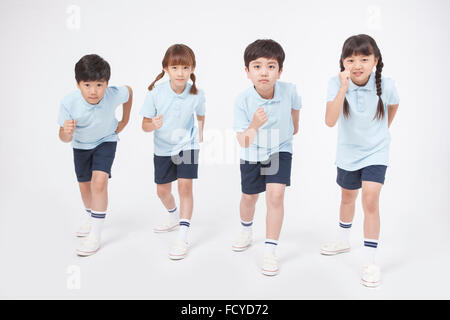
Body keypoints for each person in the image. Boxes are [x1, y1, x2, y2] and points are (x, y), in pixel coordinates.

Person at [321, 34, 400, 287]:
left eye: (364, 58)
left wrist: (381, 131)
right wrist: (344, 88)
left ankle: (370, 260)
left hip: (376, 152)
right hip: (348, 153)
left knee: (370, 199)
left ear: (375, 61)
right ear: (343, 62)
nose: (357, 65)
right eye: (351, 59)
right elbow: (330, 120)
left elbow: (394, 105)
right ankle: (343, 239)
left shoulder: (385, 85)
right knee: (347, 197)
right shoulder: (335, 83)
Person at [232, 39, 301, 276]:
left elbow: (295, 118)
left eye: (271, 66)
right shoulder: (242, 101)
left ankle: (270, 251)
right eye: (257, 66)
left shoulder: (290, 90)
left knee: (276, 195)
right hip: (252, 151)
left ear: (280, 71)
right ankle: (246, 229)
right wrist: (254, 124)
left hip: (280, 149)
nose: (264, 72)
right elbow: (243, 141)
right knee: (249, 197)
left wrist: (290, 131)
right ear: (247, 72)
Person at [58, 54, 133, 256]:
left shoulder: (113, 94)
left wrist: (124, 121)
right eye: (87, 85)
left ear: (107, 84)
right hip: (80, 146)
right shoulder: (68, 103)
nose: (93, 91)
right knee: (85, 188)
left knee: (99, 182)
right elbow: (63, 138)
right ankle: (90, 216)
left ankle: (96, 235)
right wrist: (66, 132)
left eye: (99, 85)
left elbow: (129, 92)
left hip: (106, 141)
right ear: (78, 84)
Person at [141, 44, 205, 260]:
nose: (180, 73)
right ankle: (173, 216)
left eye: (185, 68)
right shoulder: (155, 93)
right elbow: (144, 125)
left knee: (185, 186)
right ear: (166, 69)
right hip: (162, 148)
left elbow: (201, 116)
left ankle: (183, 235)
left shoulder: (197, 93)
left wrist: (201, 133)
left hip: (187, 145)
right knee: (162, 191)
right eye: (175, 67)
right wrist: (154, 125)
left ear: (192, 69)